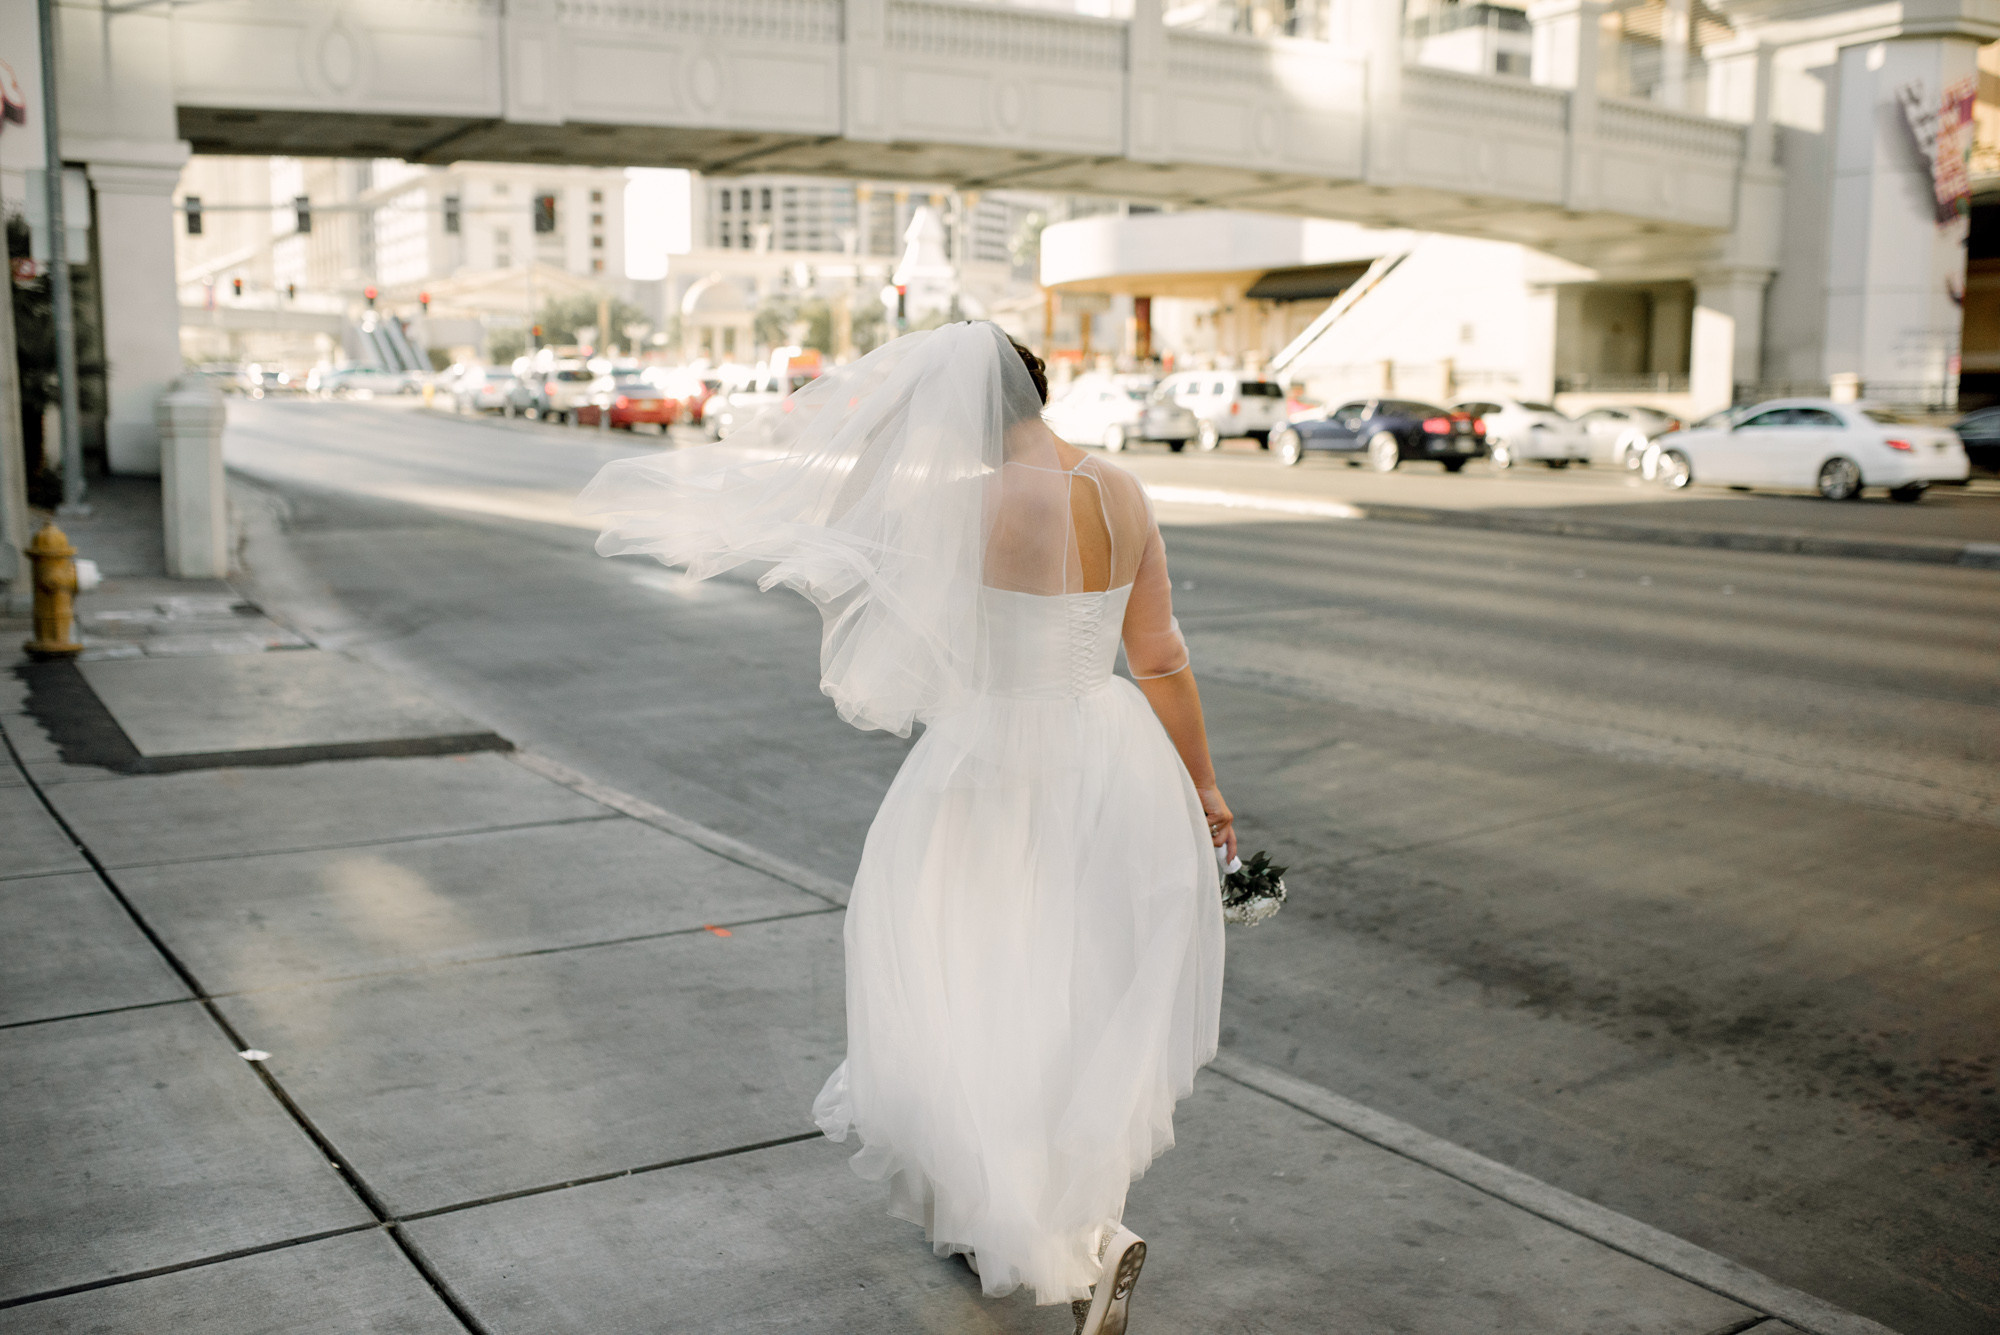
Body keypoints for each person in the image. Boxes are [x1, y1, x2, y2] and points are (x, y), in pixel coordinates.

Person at [579, 322, 1228, 1334]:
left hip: (986, 761)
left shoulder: (949, 505)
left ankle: (1027, 1224)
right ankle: (1075, 1224)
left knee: (969, 981)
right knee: (1076, 982)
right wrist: (1204, 786)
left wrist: (888, 430)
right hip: (1110, 752)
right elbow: (1161, 656)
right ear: (1041, 392)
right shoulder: (1118, 490)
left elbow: (837, 529)